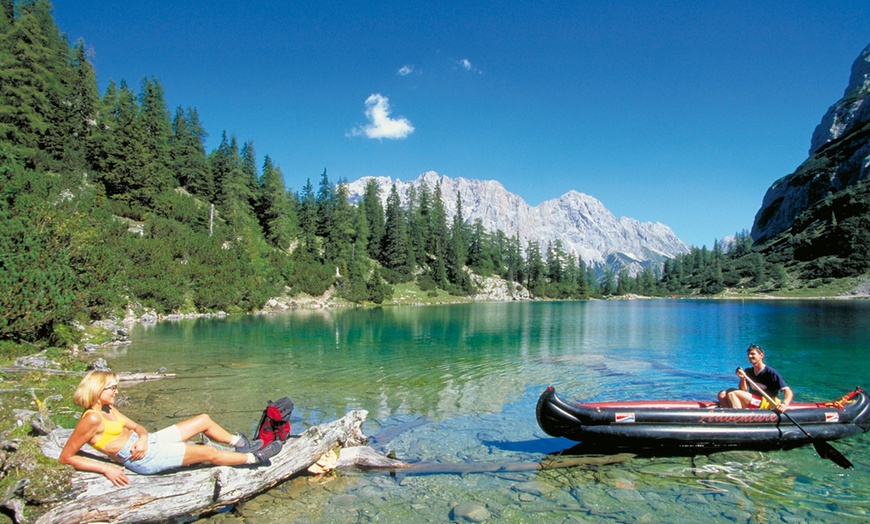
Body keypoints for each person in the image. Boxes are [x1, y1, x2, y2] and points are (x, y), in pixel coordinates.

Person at [59, 371, 282, 487]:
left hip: (148, 444)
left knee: (203, 419)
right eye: (112, 388)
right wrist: (105, 469)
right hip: (141, 459)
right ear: (98, 390)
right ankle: (255, 458)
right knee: (208, 453)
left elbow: (137, 426)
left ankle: (241, 444)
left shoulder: (108, 409)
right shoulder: (91, 419)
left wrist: (144, 436)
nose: (116, 392)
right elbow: (66, 457)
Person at [718, 344, 793, 413]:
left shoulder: (771, 373)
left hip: (768, 402)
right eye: (748, 354)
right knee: (722, 394)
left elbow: (788, 391)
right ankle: (728, 417)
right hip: (755, 401)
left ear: (761, 355)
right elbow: (743, 390)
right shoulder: (748, 371)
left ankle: (739, 418)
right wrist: (743, 378)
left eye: (753, 354)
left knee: (732, 392)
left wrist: (785, 404)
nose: (750, 356)